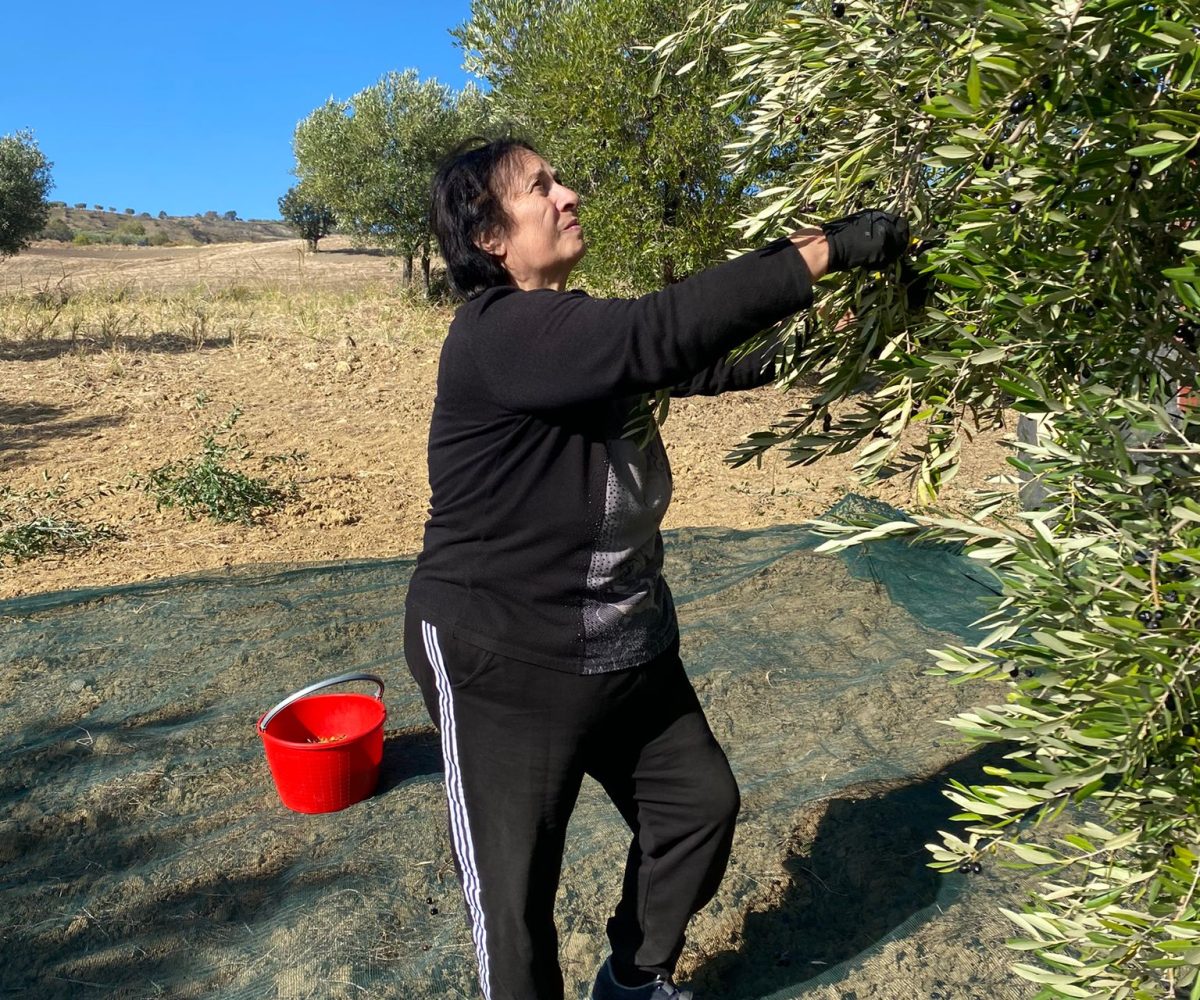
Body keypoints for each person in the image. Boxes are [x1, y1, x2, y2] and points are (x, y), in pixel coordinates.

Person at [403, 136, 910, 1000]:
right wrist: (824, 250)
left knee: (695, 810)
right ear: (490, 236)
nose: (568, 195)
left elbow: (697, 357)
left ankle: (634, 981)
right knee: (514, 901)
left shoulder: (572, 331)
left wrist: (838, 331)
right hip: (505, 657)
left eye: (561, 179)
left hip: (624, 641)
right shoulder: (502, 334)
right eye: (540, 188)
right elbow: (659, 333)